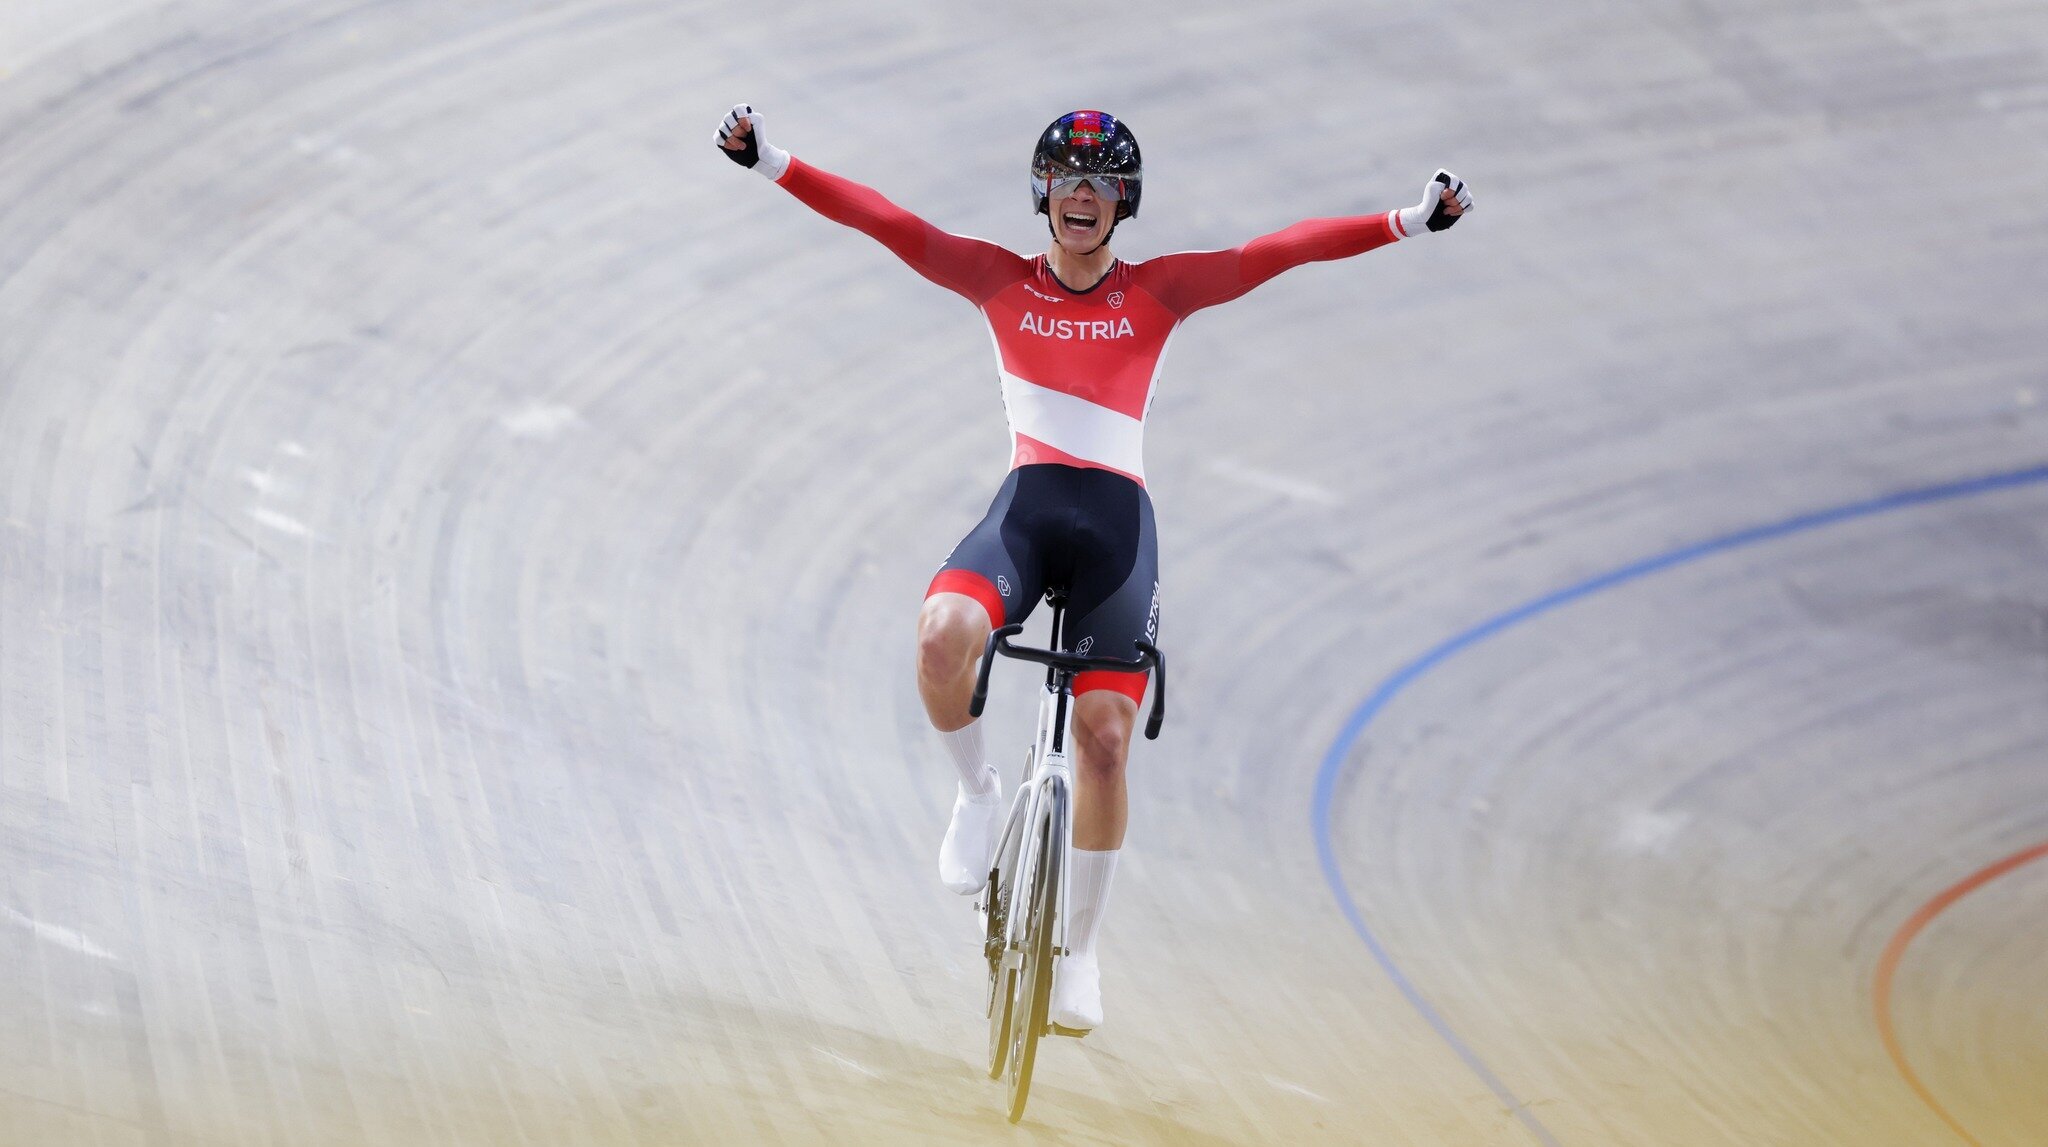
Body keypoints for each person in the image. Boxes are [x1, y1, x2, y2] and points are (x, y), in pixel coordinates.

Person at [715, 103, 1470, 1032]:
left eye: (1101, 182)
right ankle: (978, 793)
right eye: (1067, 179)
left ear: (1124, 202)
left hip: (1117, 529)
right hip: (1028, 515)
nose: (1082, 195)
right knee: (942, 634)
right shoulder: (995, 279)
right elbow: (885, 220)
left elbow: (1284, 249)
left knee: (1105, 741)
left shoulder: (1159, 291)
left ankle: (1079, 950)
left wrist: (1408, 219)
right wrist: (768, 161)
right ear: (1042, 193)